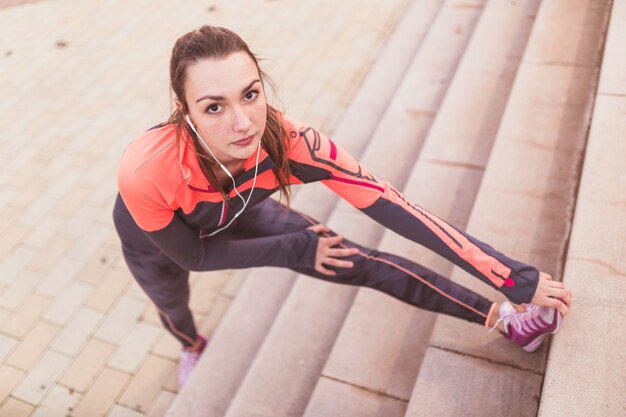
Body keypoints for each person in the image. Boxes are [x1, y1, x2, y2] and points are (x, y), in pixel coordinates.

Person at [113, 26, 573, 388]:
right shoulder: (145, 169)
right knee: (173, 306)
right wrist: (294, 249)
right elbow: (193, 256)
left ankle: (506, 322)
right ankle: (191, 346)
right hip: (158, 246)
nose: (241, 123)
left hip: (241, 213)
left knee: (357, 261)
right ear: (184, 109)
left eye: (250, 95)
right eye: (214, 107)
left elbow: (400, 209)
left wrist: (514, 279)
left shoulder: (293, 144)